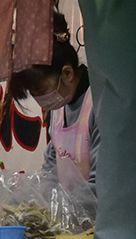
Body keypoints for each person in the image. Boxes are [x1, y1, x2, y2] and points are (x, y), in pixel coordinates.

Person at [9, 13, 97, 201]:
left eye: (41, 89)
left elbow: (104, 184)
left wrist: (60, 207)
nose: (40, 99)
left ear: (67, 73)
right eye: (33, 93)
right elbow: (51, 171)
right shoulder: (58, 110)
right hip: (69, 224)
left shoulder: (98, 107)